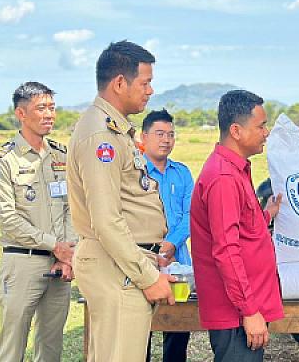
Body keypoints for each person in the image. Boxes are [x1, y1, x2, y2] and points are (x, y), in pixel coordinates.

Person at [67, 40, 175, 362]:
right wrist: (147, 275)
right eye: (145, 83)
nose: (150, 91)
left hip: (123, 264)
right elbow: (106, 220)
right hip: (116, 268)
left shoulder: (116, 130)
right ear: (119, 83)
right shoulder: (102, 135)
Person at [190, 90, 284, 361]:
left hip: (244, 308)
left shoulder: (234, 170)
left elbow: (241, 227)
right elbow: (226, 250)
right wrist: (249, 311)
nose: (266, 133)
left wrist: (266, 215)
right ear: (236, 131)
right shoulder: (223, 178)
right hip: (236, 313)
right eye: (261, 126)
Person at [0, 82, 77, 362]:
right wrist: (55, 245)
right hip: (23, 263)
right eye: (41, 108)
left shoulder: (61, 156)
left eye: (52, 107)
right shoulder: (4, 159)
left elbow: (71, 209)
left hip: (60, 265)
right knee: (12, 345)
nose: (49, 114)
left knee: (51, 346)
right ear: (21, 113)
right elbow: (9, 219)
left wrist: (67, 254)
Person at [142, 108, 194, 362]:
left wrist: (171, 244)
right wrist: (158, 250)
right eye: (160, 133)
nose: (166, 140)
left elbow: (190, 214)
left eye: (171, 134)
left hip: (179, 262)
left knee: (178, 328)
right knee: (141, 329)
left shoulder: (182, 172)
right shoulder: (134, 171)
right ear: (144, 136)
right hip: (144, 260)